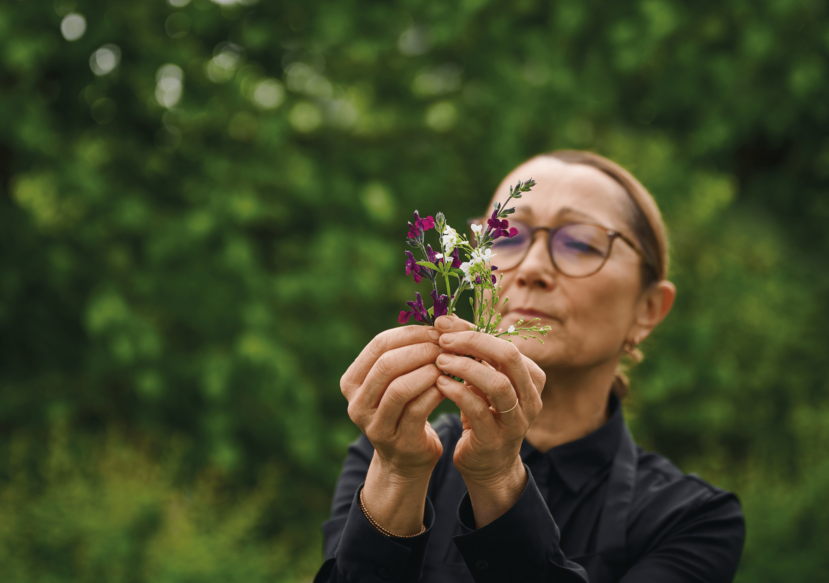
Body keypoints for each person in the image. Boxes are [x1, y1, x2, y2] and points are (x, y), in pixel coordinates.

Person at [314, 151, 745, 583]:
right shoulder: (396, 447)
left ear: (648, 309)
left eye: (580, 243)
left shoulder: (691, 518)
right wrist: (398, 474)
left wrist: (498, 478)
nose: (532, 267)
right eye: (507, 236)